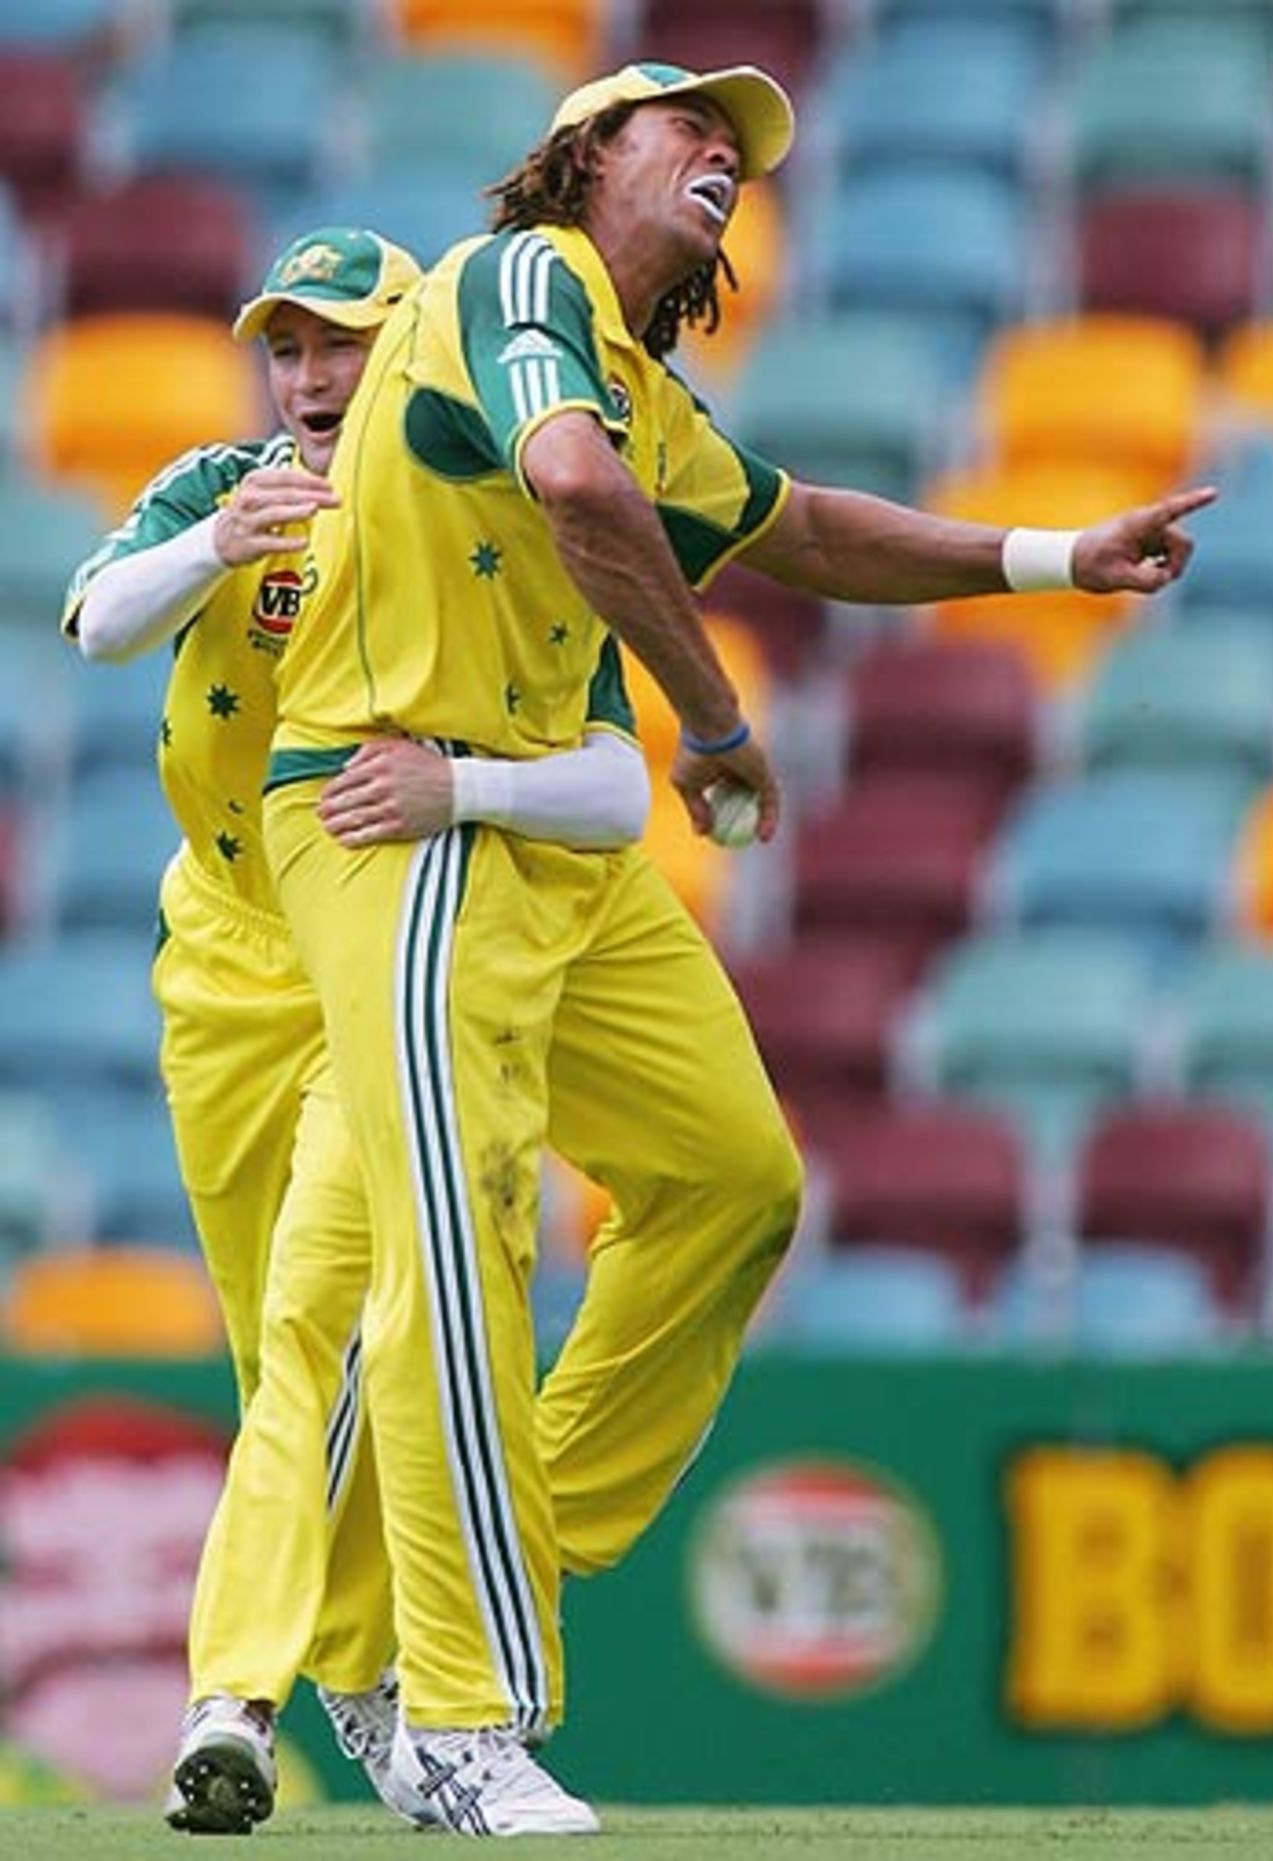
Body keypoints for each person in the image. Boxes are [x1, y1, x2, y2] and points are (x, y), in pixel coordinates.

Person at [259, 62, 1214, 1837]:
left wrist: (1054, 553)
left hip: (542, 829)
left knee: (731, 1177)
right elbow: (571, 487)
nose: (722, 150)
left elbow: (801, 526)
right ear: (582, 157)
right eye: (682, 123)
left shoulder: (634, 383)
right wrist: (713, 719)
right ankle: (457, 1708)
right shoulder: (518, 277)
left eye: (742, 145)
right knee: (459, 1240)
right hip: (405, 811)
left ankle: (468, 1556)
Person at [60, 226, 650, 1834]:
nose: (311, 378)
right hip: (222, 961)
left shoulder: (476, 518)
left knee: (327, 1319)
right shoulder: (222, 483)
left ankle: (238, 1698)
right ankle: (356, 1668)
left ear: (409, 354)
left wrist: (467, 785)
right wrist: (220, 542)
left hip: (384, 953)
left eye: (344, 343)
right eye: (288, 347)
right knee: (279, 1351)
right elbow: (97, 619)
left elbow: (620, 778)